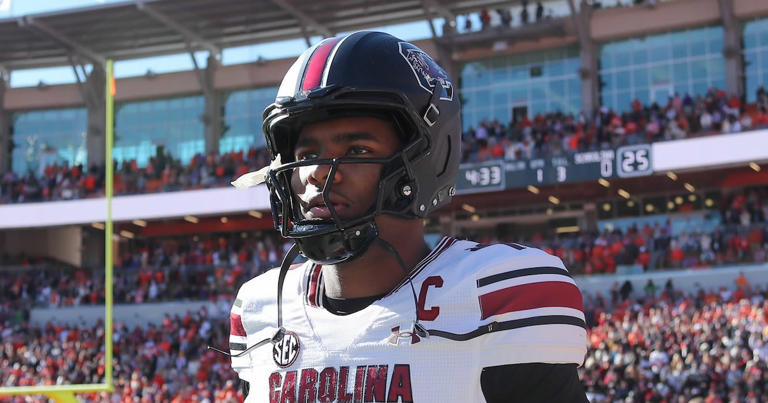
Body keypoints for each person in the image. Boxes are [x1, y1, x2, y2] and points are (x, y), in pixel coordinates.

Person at [227, 31, 588, 402]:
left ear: (424, 161)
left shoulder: (496, 293)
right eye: (305, 154)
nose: (316, 171)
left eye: (356, 148)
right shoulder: (263, 306)